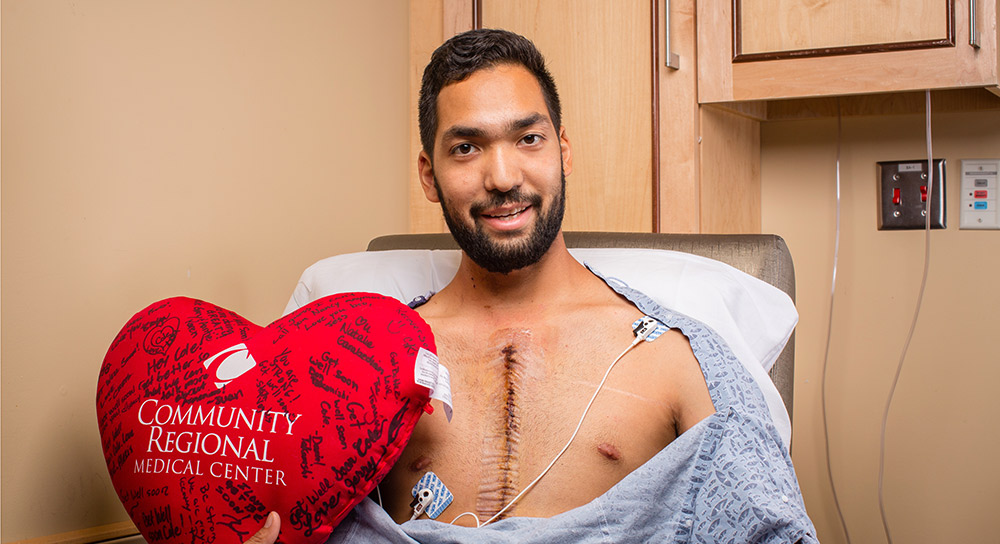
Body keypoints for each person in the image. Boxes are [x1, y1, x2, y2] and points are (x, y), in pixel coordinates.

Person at [248, 29, 816, 543]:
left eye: (528, 139)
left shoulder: (674, 358)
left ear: (562, 150)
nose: (503, 177)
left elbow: (768, 525)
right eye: (466, 148)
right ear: (430, 174)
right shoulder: (360, 366)